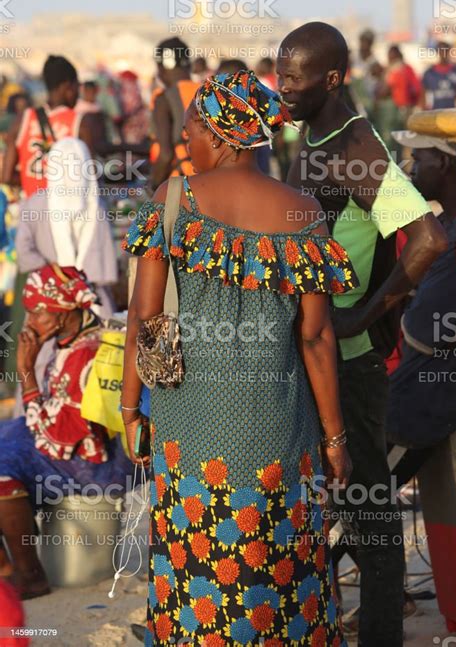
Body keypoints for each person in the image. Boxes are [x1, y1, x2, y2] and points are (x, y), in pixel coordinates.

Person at [122, 70, 358, 645]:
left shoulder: (172, 202)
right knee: (283, 577)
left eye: (190, 134)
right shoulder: (303, 213)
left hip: (190, 434)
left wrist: (131, 408)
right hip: (281, 433)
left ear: (223, 136)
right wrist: (335, 439)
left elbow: (144, 318)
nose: (184, 146)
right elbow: (316, 338)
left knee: (195, 574)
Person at [277, 21, 448, 647]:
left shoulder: (354, 146)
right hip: (319, 355)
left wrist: (362, 314)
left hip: (349, 360)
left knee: (373, 523)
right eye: (279, 75)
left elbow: (429, 238)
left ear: (331, 79)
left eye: (294, 78)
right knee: (341, 506)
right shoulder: (315, 134)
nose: (283, 88)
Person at [0, 264, 133, 599]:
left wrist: (26, 371)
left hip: (98, 466)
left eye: (37, 314)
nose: (29, 322)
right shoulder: (73, 338)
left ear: (62, 312)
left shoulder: (86, 353)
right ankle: (8, 566)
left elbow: (58, 441)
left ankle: (30, 576)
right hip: (77, 446)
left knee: (2, 470)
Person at [387, 109, 456, 453]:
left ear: (443, 163)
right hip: (441, 387)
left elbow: (422, 331)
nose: (410, 169)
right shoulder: (451, 223)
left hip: (436, 395)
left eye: (417, 158)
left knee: (366, 483)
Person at [15, 137, 118, 317]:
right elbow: (24, 250)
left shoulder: (96, 205)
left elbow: (23, 250)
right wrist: (57, 276)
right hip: (53, 302)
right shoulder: (97, 205)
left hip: (82, 302)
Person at [1, 55, 106, 196]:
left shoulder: (22, 119)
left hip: (31, 209)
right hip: (66, 210)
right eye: (76, 87)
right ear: (67, 86)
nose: (77, 94)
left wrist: (36, 184)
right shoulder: (80, 123)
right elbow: (91, 177)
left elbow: (6, 177)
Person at [149, 38, 200, 187]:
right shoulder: (209, 92)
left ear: (163, 66)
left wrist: (153, 188)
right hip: (210, 182)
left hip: (178, 185)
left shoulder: (163, 99)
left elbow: (165, 155)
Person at [421, 42, 456, 110]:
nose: (443, 53)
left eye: (446, 50)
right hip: (435, 113)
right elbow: (423, 95)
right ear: (437, 52)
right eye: (441, 50)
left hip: (452, 113)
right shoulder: (429, 73)